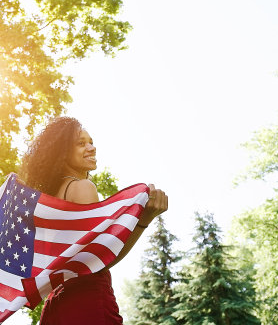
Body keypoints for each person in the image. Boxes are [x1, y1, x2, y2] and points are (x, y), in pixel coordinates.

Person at [19, 116, 168, 324]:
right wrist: (144, 220)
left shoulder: (51, 203)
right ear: (62, 153)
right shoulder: (82, 187)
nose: (91, 147)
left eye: (91, 141)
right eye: (81, 143)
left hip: (56, 306)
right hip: (87, 303)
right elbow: (99, 260)